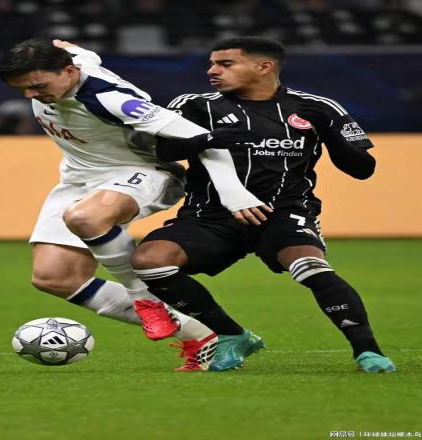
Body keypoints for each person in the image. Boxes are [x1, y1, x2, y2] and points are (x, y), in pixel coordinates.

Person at [0, 39, 269, 371]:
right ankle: (203, 334)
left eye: (38, 86)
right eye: (22, 89)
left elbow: (204, 141)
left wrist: (234, 194)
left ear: (69, 72)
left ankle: (146, 299)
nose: (30, 95)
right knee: (54, 277)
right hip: (79, 178)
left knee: (85, 217)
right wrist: (72, 47)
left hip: (142, 171)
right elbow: (87, 55)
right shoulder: (72, 63)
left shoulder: (111, 100)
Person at [132, 36, 396, 373]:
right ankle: (231, 334)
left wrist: (330, 132)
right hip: (211, 215)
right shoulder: (195, 105)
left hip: (285, 212)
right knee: (150, 261)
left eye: (225, 64)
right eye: (212, 64)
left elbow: (363, 169)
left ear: (264, 67)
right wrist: (207, 139)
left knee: (311, 267)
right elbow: (161, 151)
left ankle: (368, 352)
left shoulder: (318, 107)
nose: (212, 71)